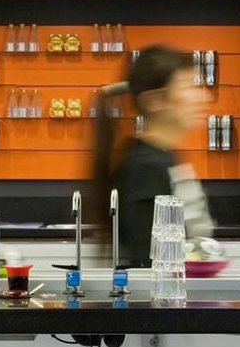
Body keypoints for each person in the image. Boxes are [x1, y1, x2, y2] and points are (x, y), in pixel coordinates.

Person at [91, 45, 214, 268]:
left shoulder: (163, 159)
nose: (203, 96)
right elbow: (151, 265)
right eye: (189, 86)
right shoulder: (146, 169)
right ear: (155, 100)